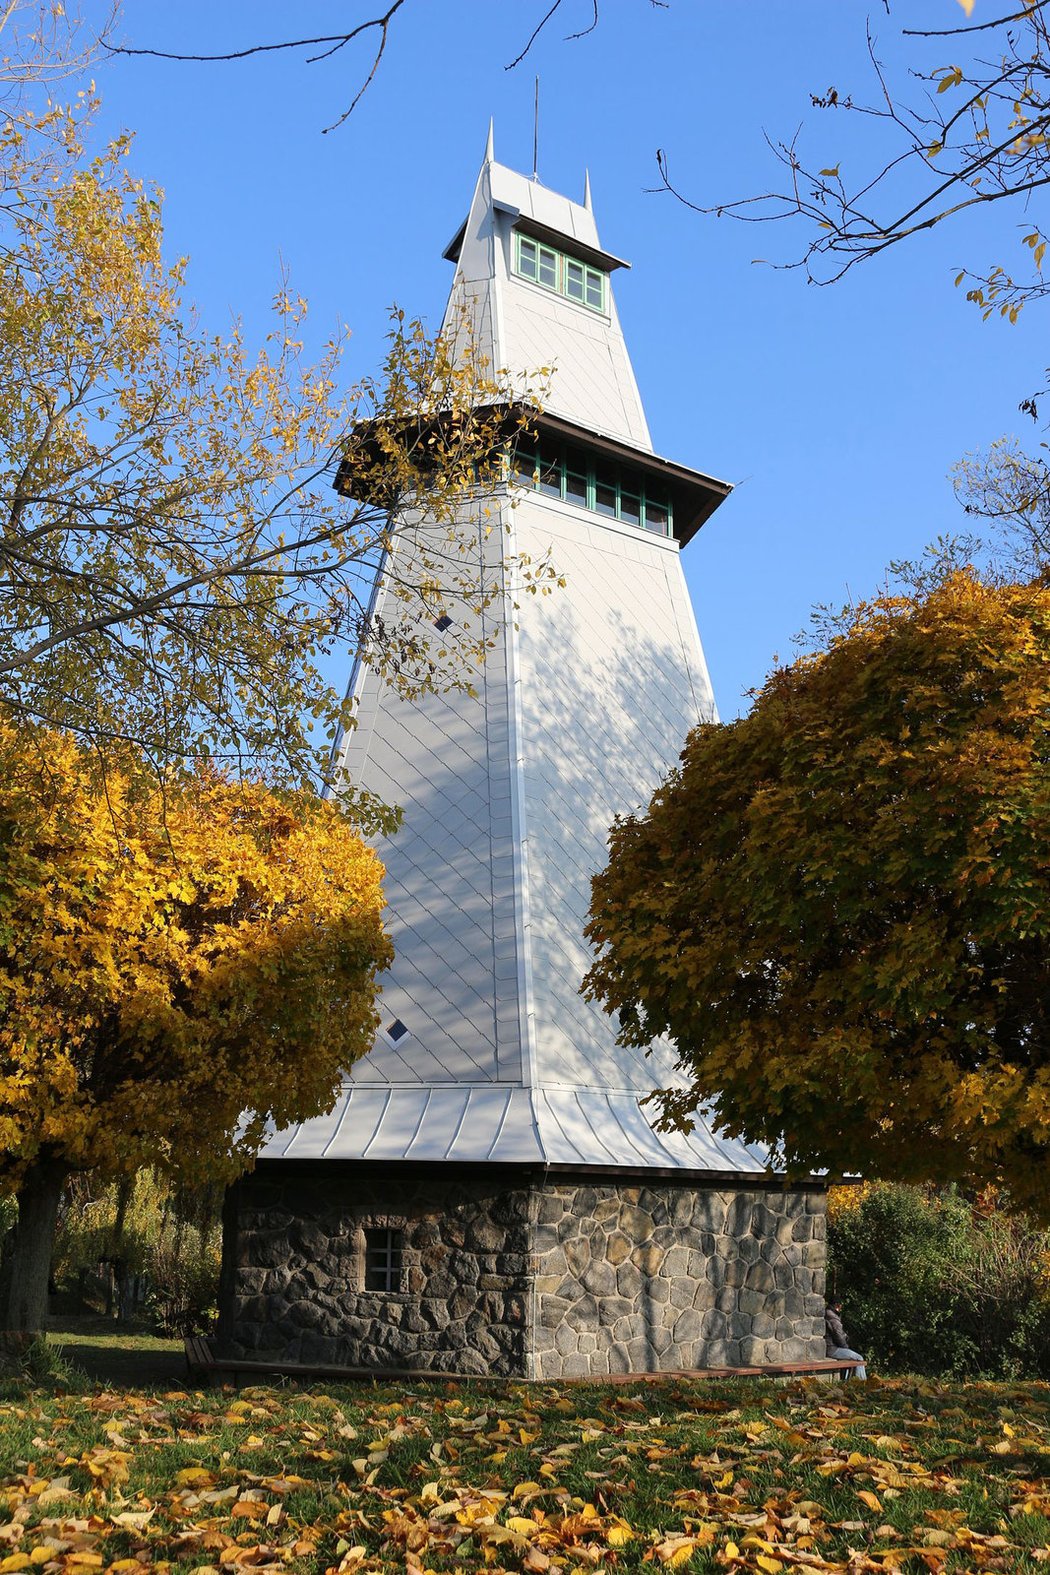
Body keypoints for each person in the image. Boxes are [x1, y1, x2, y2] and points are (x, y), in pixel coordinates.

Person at [825, 1299, 867, 1379]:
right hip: (832, 1349)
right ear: (837, 1305)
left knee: (851, 1358)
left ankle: (851, 1382)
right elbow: (838, 1335)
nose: (841, 1307)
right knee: (859, 1359)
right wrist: (846, 1347)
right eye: (840, 1305)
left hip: (831, 1347)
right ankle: (861, 1384)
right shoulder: (832, 1318)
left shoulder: (828, 1315)